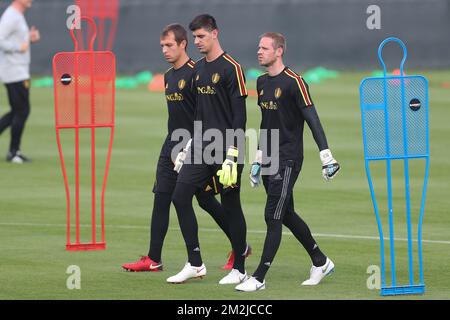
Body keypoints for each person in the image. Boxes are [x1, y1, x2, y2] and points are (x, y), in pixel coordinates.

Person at [122, 24, 239, 272]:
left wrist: (194, 146)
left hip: (194, 146)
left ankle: (240, 247)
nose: (165, 50)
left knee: (205, 200)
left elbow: (206, 114)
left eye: (169, 45)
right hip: (171, 145)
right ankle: (154, 259)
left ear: (183, 44)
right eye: (162, 46)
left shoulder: (196, 72)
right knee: (161, 198)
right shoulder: (168, 76)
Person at [236, 32, 340, 292]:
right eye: (258, 47)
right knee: (286, 214)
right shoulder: (260, 82)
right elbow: (266, 124)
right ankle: (320, 261)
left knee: (272, 214)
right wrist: (259, 158)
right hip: (270, 156)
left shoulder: (296, 82)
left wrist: (326, 155)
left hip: (289, 158)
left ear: (279, 51)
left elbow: (312, 119)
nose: (259, 51)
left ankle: (259, 277)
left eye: (264, 48)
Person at [166, 14, 250, 284]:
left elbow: (240, 116)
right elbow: (198, 114)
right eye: (194, 38)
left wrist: (234, 154)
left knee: (231, 206)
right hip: (201, 147)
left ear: (215, 33)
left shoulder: (231, 68)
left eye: (201, 36)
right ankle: (195, 263)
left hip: (227, 149)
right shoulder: (198, 69)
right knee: (180, 196)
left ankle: (239, 268)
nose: (197, 42)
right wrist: (188, 145)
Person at [0, 0, 40, 164]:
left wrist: (29, 39)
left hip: (18, 69)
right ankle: (13, 152)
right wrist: (19, 47)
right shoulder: (11, 16)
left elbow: (18, 41)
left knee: (18, 110)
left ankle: (14, 151)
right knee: (22, 110)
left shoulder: (17, 15)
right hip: (14, 70)